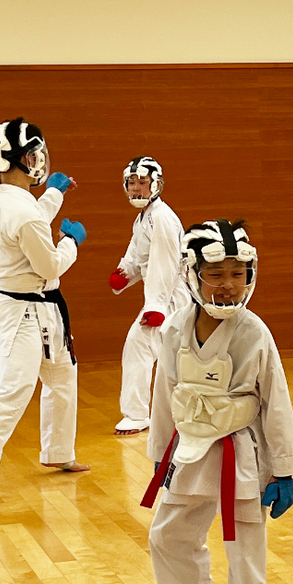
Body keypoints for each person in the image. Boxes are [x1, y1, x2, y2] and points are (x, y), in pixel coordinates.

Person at [140, 219, 293, 584]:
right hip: (191, 448)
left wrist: (284, 469)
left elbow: (276, 401)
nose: (228, 284)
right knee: (167, 535)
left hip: (242, 454)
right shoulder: (175, 329)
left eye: (237, 273)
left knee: (244, 555)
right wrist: (160, 456)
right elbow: (164, 396)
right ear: (193, 275)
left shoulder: (254, 332)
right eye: (216, 273)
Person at [0, 118, 90, 518]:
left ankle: (59, 451)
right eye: (33, 154)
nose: (39, 160)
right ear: (20, 159)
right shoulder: (21, 210)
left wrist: (54, 193)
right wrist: (71, 243)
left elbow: (34, 215)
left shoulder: (11, 197)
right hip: (21, 313)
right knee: (13, 393)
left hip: (41, 307)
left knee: (62, 376)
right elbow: (50, 264)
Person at [108, 156, 188, 436]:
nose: (136, 188)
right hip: (163, 297)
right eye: (131, 183)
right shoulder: (145, 217)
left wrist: (156, 306)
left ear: (156, 185)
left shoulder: (161, 218)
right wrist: (125, 273)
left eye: (142, 182)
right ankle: (167, 413)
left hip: (172, 297)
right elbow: (138, 254)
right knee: (173, 357)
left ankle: (136, 415)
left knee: (139, 345)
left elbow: (164, 264)